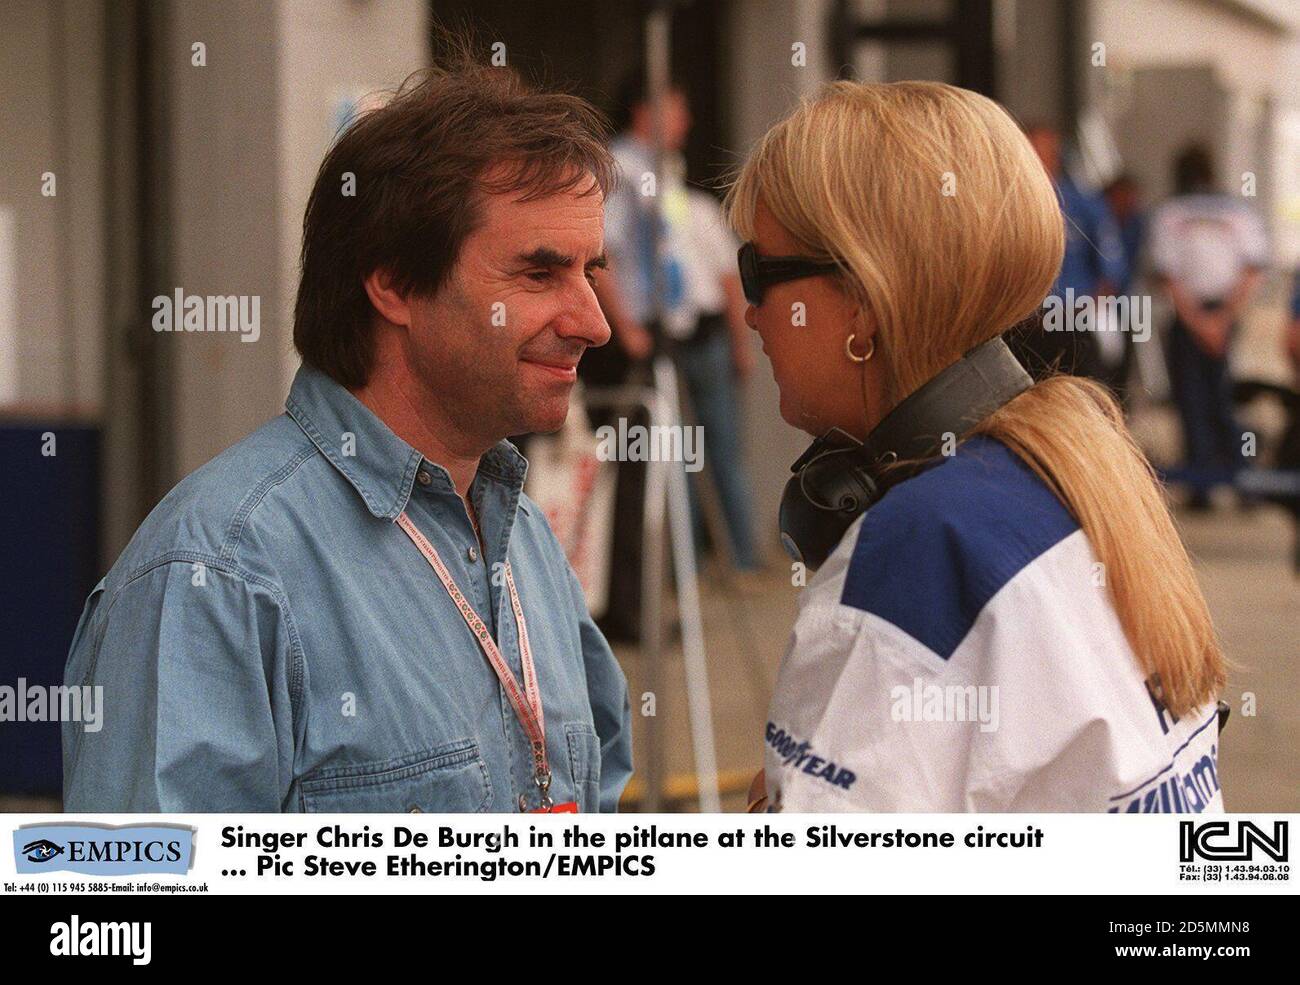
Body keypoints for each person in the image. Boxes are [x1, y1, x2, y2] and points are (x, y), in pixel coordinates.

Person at [62, 54, 633, 813]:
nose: (593, 322)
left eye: (592, 271)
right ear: (393, 283)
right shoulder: (216, 576)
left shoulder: (520, 536)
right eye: (539, 273)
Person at [727, 81, 1226, 812]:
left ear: (862, 299)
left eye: (759, 273)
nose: (748, 313)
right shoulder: (1075, 461)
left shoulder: (921, 547)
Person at [1149, 144, 1268, 509]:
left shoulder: (1171, 213)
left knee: (1197, 401)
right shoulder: (1236, 211)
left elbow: (1168, 277)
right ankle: (1236, 482)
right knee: (1220, 399)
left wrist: (1203, 323)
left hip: (1194, 317)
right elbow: (1252, 270)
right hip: (1219, 316)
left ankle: (1213, 484)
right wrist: (1222, 321)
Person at [1016, 124, 1126, 385]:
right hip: (1021, 328)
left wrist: (1076, 314)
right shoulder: (1007, 206)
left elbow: (1111, 273)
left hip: (1073, 323)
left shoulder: (1084, 205)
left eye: (1041, 151)